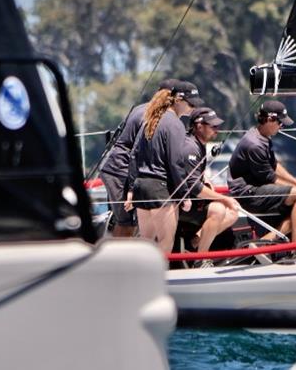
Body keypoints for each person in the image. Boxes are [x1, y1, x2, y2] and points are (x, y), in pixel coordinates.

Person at [227, 100, 296, 242]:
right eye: (280, 123)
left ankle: (265, 242)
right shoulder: (254, 144)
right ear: (269, 120)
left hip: (257, 187)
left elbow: (274, 165)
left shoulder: (263, 137)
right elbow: (269, 177)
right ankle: (295, 247)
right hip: (247, 194)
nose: (281, 127)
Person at [124, 81, 204, 253]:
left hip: (141, 186)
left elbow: (133, 155)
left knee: (146, 243)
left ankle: (142, 278)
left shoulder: (150, 119)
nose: (192, 108)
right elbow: (176, 162)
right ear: (178, 100)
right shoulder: (175, 124)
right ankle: (160, 279)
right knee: (165, 243)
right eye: (190, 104)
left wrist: (131, 188)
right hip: (160, 189)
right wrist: (185, 195)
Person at [99, 78, 178, 237]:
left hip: (116, 167)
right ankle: (117, 261)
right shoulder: (152, 113)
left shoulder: (143, 108)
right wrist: (131, 189)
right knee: (127, 223)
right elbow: (136, 150)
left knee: (132, 222)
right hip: (119, 169)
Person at [178, 107, 240, 267]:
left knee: (232, 212)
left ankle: (194, 244)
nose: (217, 130)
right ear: (199, 126)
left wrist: (205, 179)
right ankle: (200, 259)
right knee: (220, 209)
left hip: (191, 200)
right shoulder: (190, 147)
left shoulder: (197, 144)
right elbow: (194, 188)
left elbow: (193, 174)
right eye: (213, 126)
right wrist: (224, 198)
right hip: (181, 204)